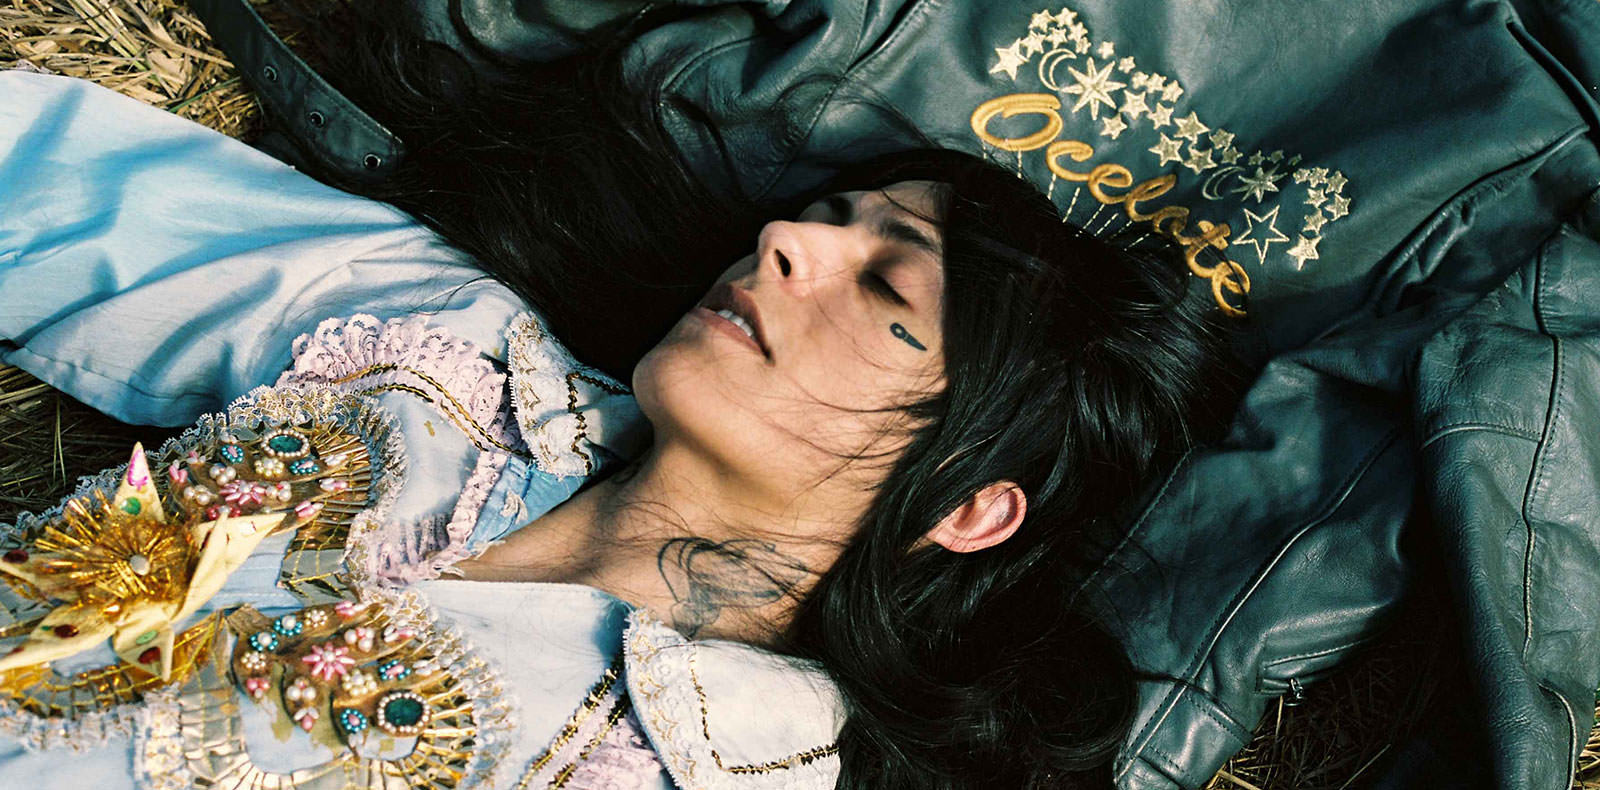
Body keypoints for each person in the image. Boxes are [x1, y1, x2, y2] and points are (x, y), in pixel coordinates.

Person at [0, 14, 1240, 789]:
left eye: (886, 291)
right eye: (829, 218)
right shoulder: (444, 350)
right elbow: (59, 196)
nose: (788, 241)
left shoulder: (705, 766)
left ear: (967, 509)